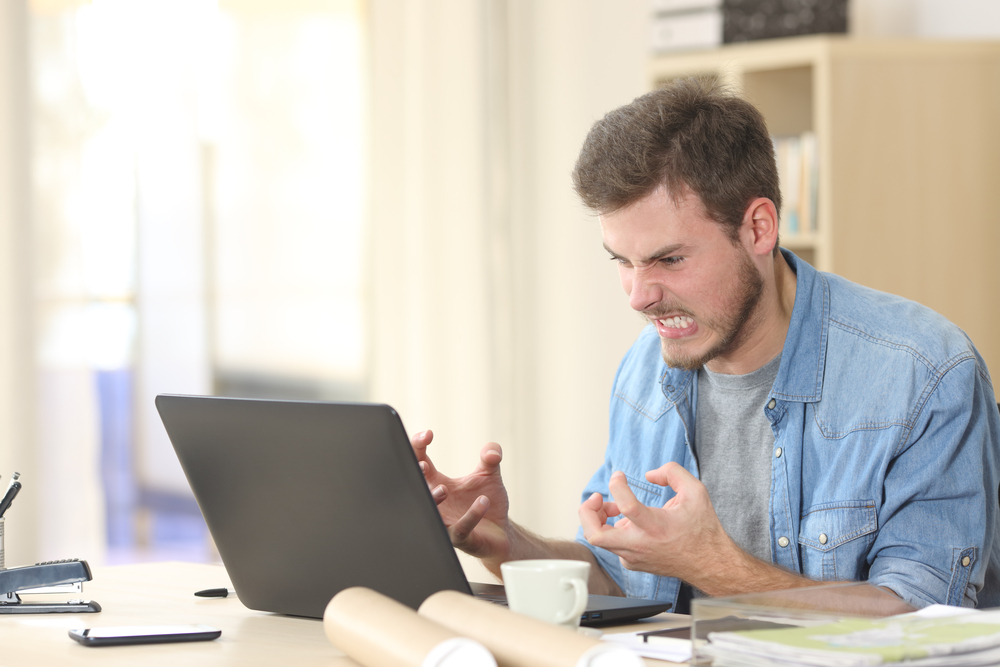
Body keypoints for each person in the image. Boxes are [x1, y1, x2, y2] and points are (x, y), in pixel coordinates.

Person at [413, 76, 1000, 611]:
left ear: (758, 228)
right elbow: (625, 580)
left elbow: (923, 622)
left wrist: (710, 565)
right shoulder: (646, 369)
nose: (639, 297)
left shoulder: (924, 375)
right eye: (623, 262)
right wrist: (503, 540)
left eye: (669, 259)